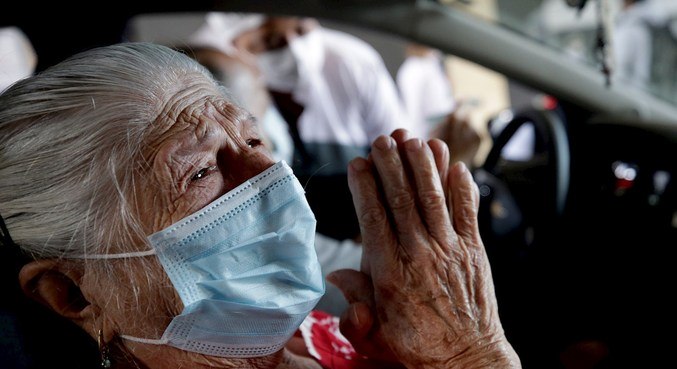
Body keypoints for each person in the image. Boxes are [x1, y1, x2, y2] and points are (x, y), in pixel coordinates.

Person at [0, 42, 520, 368]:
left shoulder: (310, 336)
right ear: (70, 292)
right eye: (199, 172)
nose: (271, 175)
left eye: (253, 142)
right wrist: (466, 355)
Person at [187, 12, 413, 241]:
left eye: (301, 31)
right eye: (272, 41)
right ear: (235, 44)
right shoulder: (224, 82)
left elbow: (396, 154)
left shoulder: (352, 61)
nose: (294, 49)